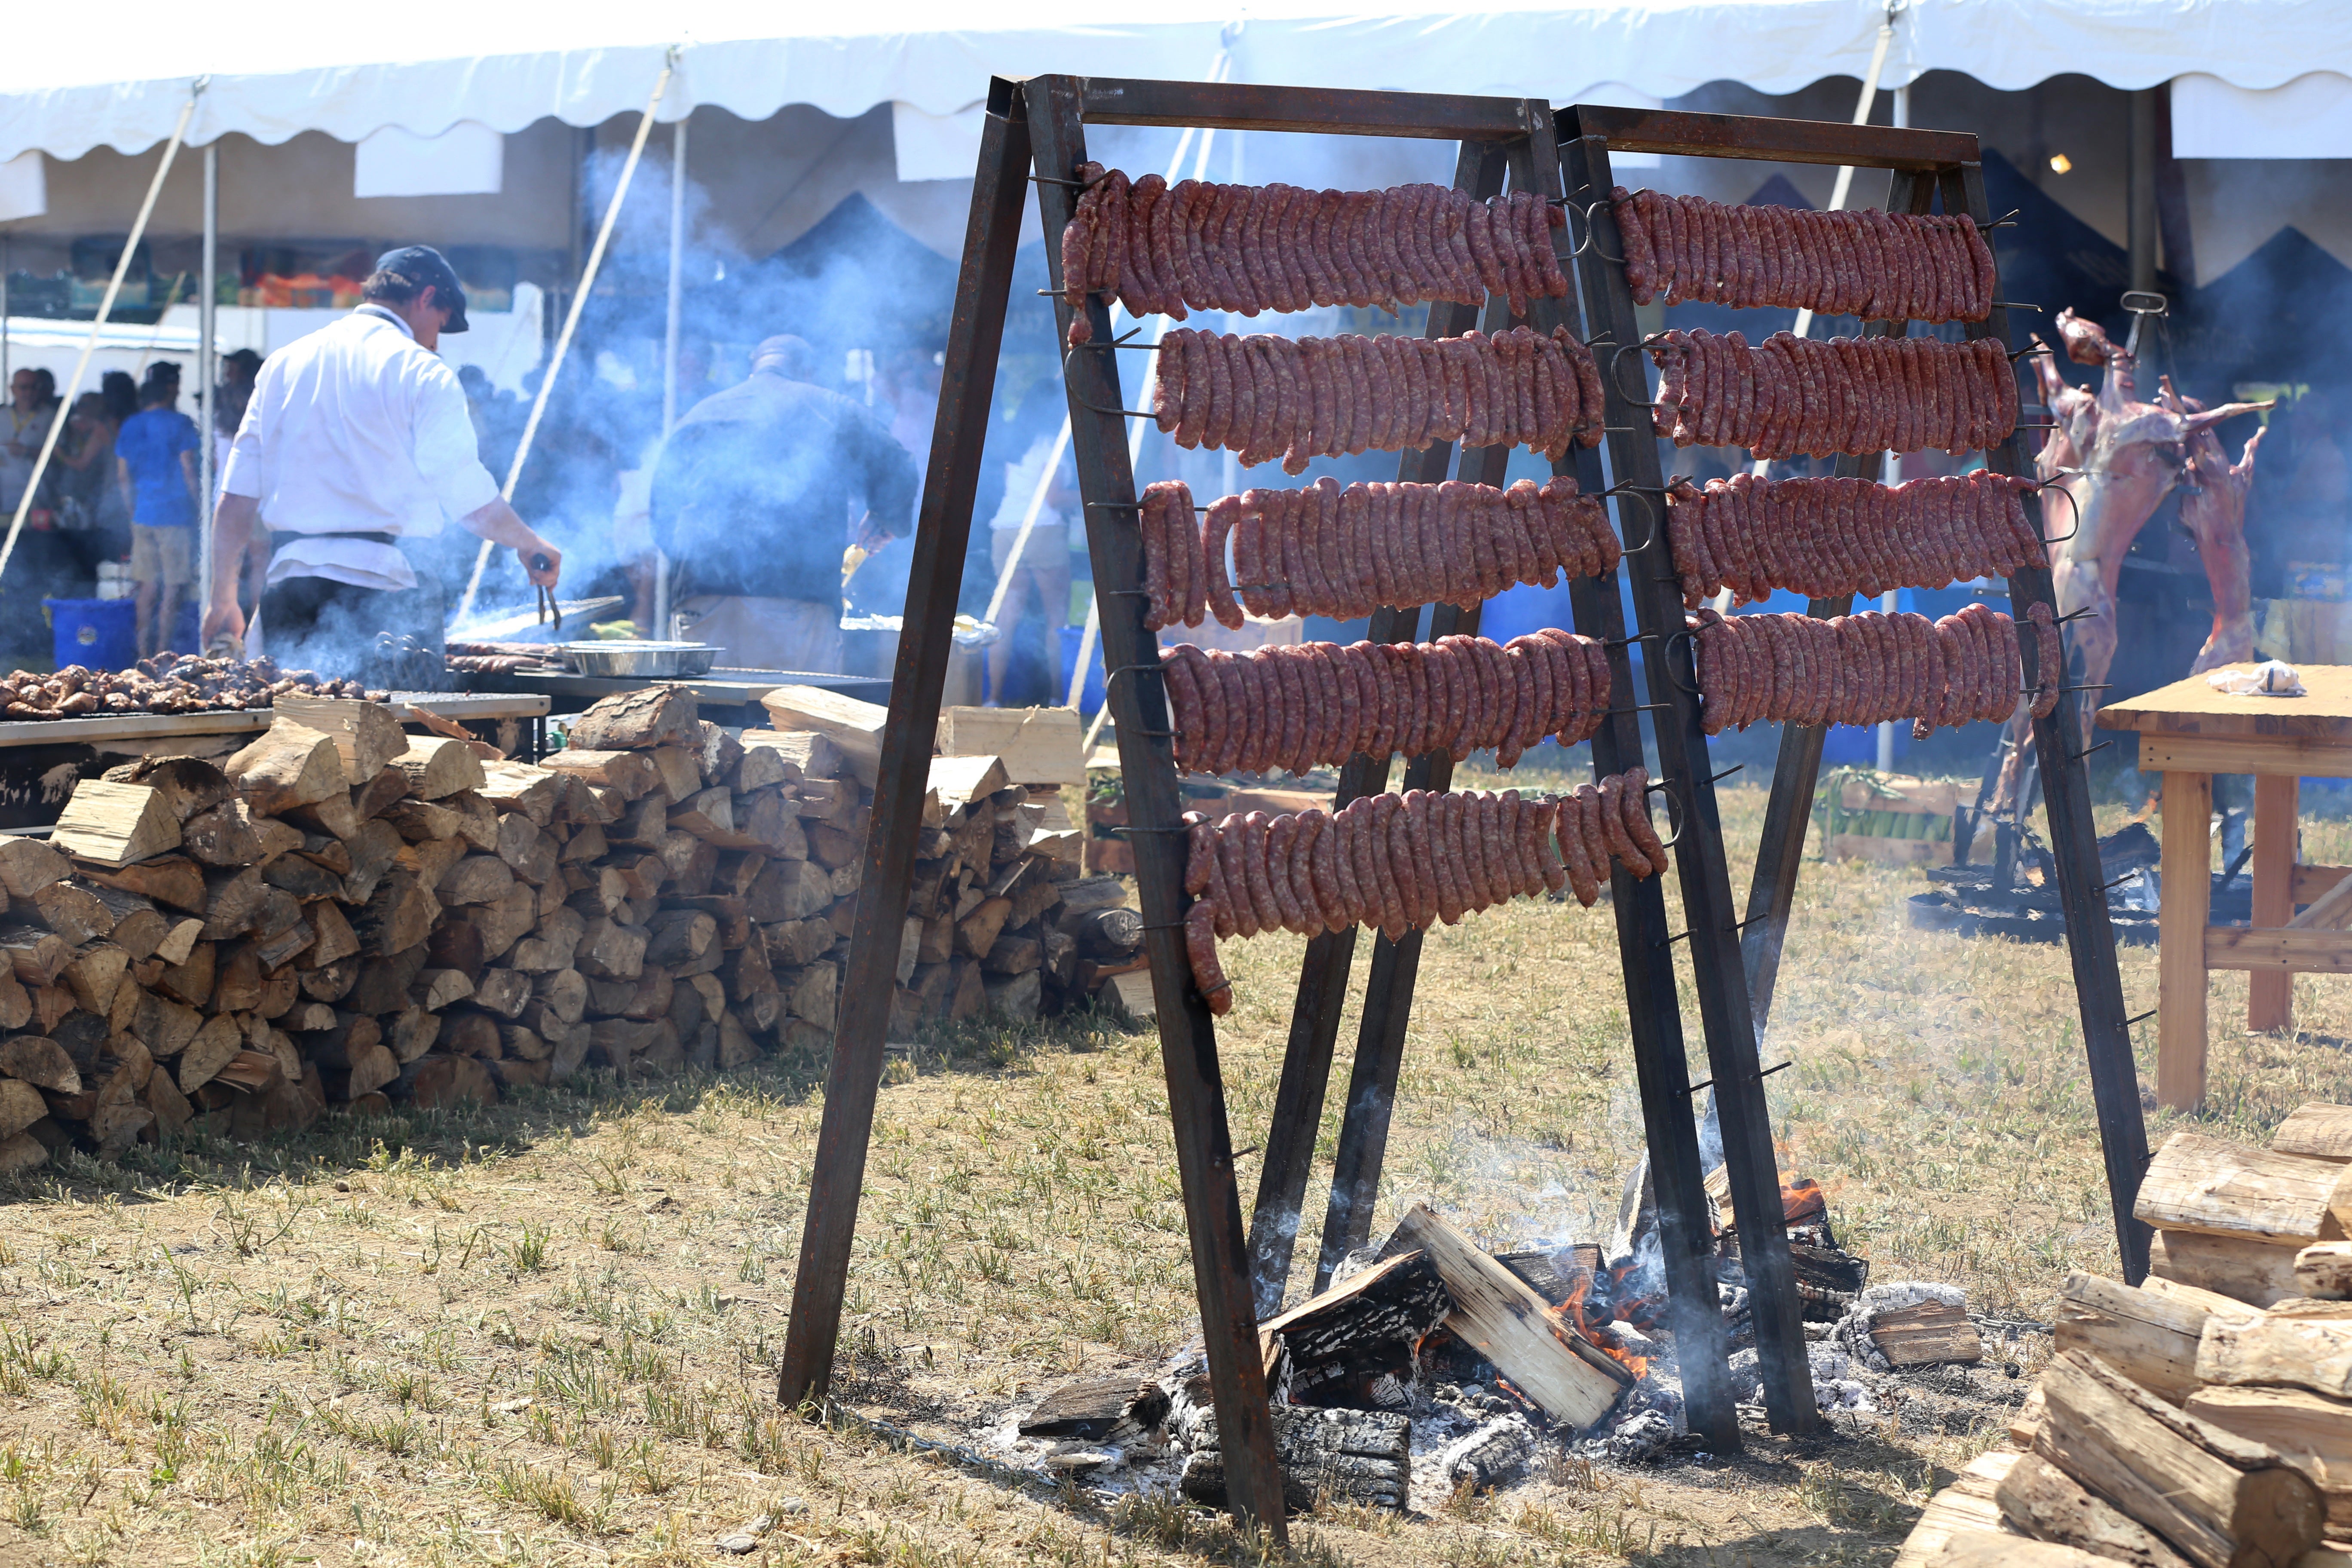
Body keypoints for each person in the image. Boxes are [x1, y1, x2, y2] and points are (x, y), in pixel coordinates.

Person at [203, 245, 562, 685]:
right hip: (387, 595)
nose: (435, 339)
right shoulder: (424, 371)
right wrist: (527, 542)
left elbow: (236, 497)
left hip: (292, 587)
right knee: (398, 746)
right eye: (441, 325)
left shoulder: (283, 363)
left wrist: (222, 597)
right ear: (427, 297)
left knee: (294, 742)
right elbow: (463, 492)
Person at [649, 334, 914, 673]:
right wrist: (884, 518)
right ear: (807, 370)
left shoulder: (701, 413)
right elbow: (896, 462)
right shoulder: (830, 407)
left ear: (753, 368)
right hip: (796, 593)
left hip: (703, 594)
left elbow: (661, 507)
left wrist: (692, 559)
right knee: (797, 716)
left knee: (700, 718)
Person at [982, 378, 1077, 705]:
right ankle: (1056, 698)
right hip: (1042, 531)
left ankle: (992, 699)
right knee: (1056, 617)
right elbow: (1053, 498)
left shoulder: (1015, 446)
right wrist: (1095, 496)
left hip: (1005, 530)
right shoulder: (1050, 444)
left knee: (1006, 615)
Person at [116, 367, 202, 656]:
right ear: (169, 392)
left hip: (143, 514)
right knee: (173, 587)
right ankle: (163, 652)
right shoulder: (181, 424)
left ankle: (143, 653)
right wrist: (201, 506)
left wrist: (132, 511)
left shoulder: (130, 425)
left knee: (147, 586)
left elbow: (123, 476)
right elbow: (189, 467)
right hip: (175, 515)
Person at [3, 368, 58, 521]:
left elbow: (60, 457)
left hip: (38, 499)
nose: (29, 393)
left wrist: (27, 451)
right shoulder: (2, 415)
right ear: (12, 389)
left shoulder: (51, 416)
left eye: (34, 387)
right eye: (24, 387)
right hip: (4, 499)